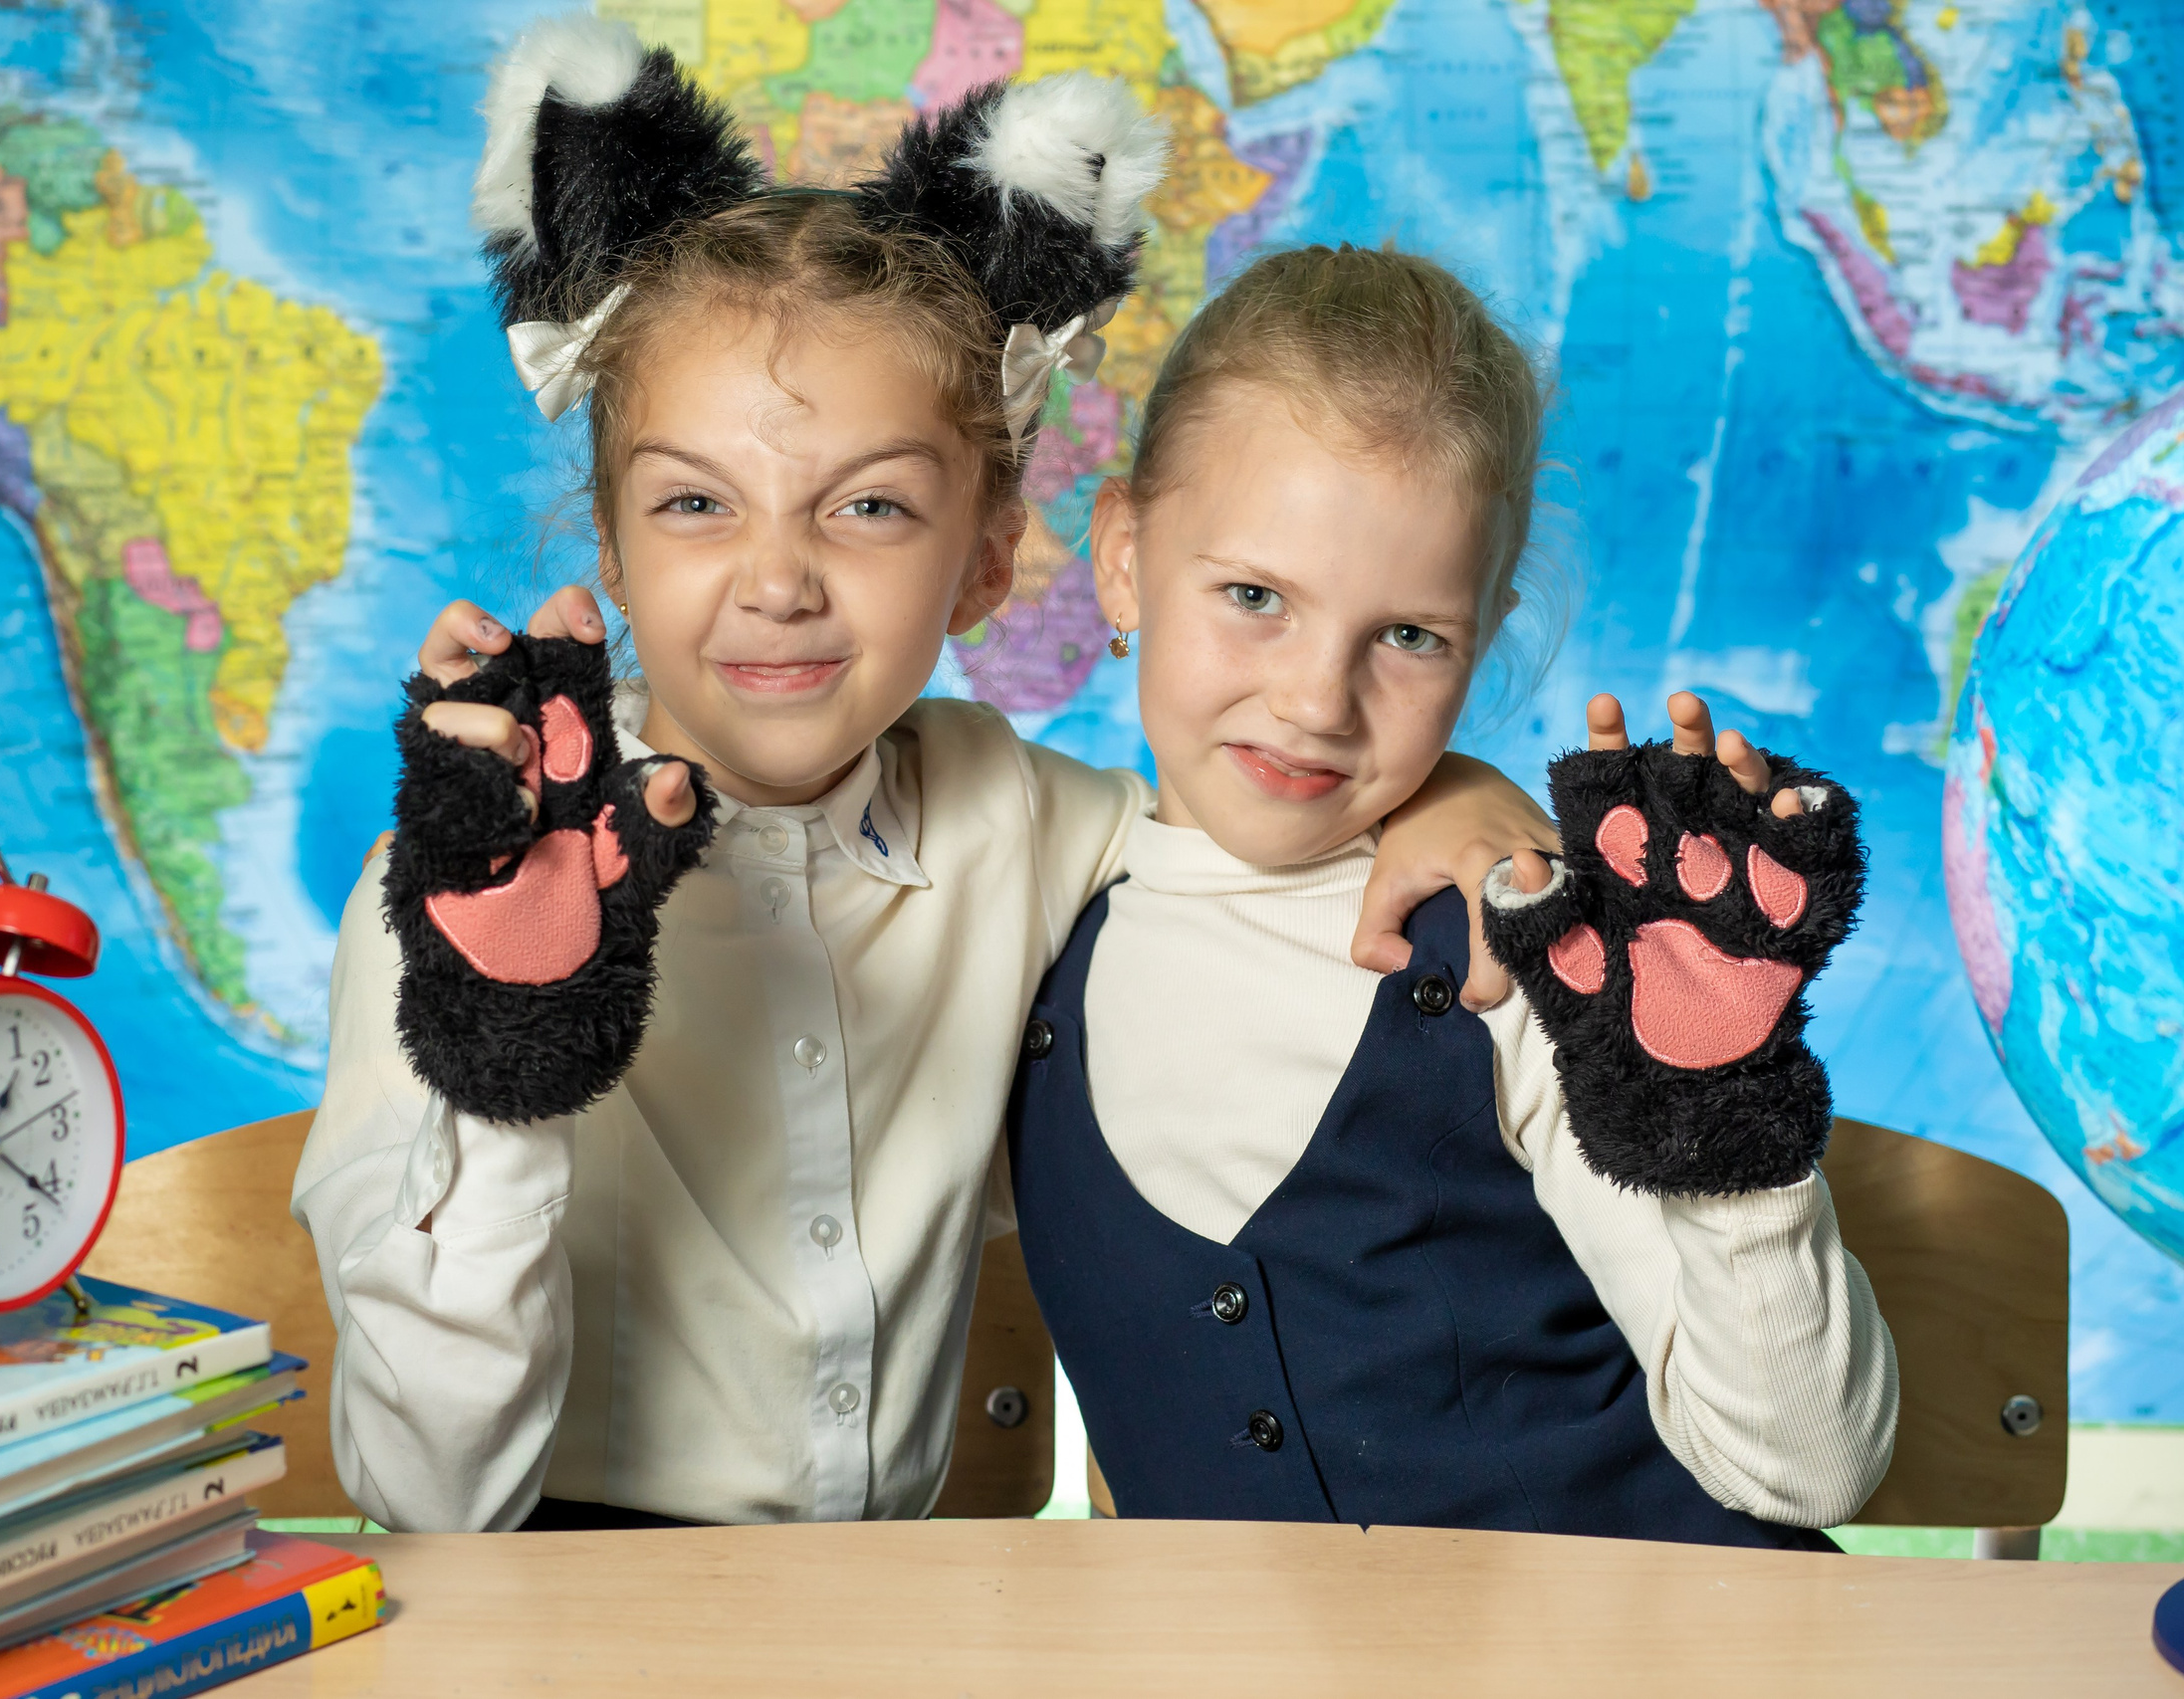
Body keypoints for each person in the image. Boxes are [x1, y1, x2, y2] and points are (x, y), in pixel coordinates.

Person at [294, 16, 1560, 1533]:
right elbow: (426, 1497)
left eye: (871, 509)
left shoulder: (1028, 822)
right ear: (611, 550)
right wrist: (506, 1052)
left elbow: (1279, 779)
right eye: (697, 503)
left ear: (989, 554)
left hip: (893, 1623)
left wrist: (1460, 791)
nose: (778, 583)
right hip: (559, 1614)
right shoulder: (446, 890)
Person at [1006, 243, 1897, 1546]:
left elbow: (1812, 1473)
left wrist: (1720, 1115)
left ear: (1486, 632)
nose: (1318, 701)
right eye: (1255, 596)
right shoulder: (1025, 907)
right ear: (1126, 556)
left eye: (1410, 636)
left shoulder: (1516, 951)